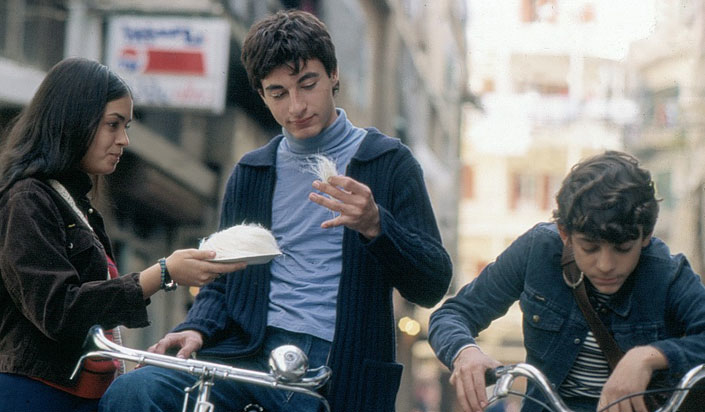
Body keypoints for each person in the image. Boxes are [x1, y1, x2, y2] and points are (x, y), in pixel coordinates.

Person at [99, 9, 452, 412]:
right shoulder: (253, 171)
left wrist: (376, 225)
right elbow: (221, 276)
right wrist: (197, 327)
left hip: (337, 364)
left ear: (333, 74)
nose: (296, 106)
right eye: (278, 93)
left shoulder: (388, 162)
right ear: (262, 94)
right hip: (246, 352)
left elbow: (432, 284)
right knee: (132, 393)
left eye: (308, 84)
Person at [0, 57, 247, 412]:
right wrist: (162, 273)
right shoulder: (27, 199)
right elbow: (59, 311)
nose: (123, 140)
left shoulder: (76, 206)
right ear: (73, 121)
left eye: (126, 126)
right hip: (31, 397)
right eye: (113, 124)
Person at [428, 151, 705, 412]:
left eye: (622, 249)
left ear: (646, 236)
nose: (606, 264)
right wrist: (464, 352)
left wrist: (648, 357)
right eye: (589, 248)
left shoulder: (668, 273)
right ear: (565, 234)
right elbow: (453, 314)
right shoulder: (537, 250)